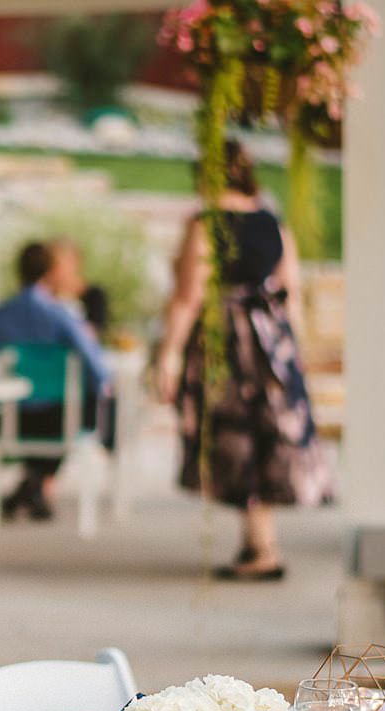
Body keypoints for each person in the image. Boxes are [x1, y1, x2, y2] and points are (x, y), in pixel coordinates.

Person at [154, 140, 333, 580]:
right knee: (266, 433)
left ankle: (262, 547)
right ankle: (259, 543)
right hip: (273, 343)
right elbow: (289, 289)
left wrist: (170, 354)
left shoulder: (206, 223)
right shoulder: (274, 224)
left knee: (237, 436)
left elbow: (188, 296)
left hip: (229, 342)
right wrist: (293, 353)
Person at [0, 241, 113, 520]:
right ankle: (34, 487)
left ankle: (31, 487)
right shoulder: (62, 316)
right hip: (61, 419)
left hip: (9, 416)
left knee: (56, 412)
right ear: (49, 272)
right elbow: (98, 370)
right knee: (86, 407)